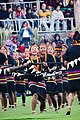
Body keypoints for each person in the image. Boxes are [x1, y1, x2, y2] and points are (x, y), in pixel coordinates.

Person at [64, 31, 80, 115]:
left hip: (71, 74)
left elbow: (65, 63)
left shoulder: (69, 49)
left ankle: (69, 108)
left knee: (72, 92)